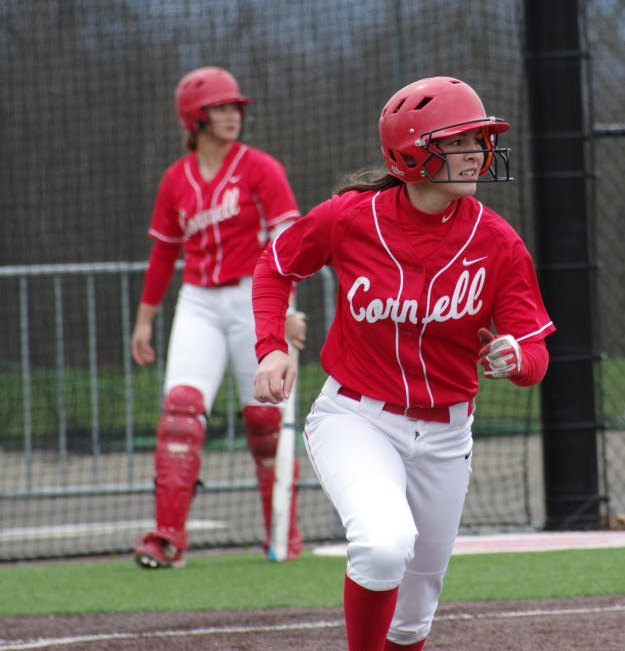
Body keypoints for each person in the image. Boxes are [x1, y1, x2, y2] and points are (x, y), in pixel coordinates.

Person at [252, 76, 555, 650]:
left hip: (447, 435)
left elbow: (536, 354)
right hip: (357, 417)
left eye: (479, 140)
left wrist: (516, 356)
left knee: (413, 618)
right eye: (458, 141)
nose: (476, 153)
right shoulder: (351, 218)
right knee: (383, 544)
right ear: (411, 152)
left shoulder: (497, 242)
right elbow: (276, 265)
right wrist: (270, 345)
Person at [131, 66, 307, 569]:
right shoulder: (176, 179)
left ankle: (282, 533)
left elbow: (288, 243)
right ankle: (167, 538)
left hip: (256, 294)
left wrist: (287, 309)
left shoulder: (261, 168)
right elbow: (164, 253)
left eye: (236, 107)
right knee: (180, 413)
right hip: (199, 302)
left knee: (264, 419)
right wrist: (144, 321)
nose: (233, 116)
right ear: (195, 118)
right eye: (221, 108)